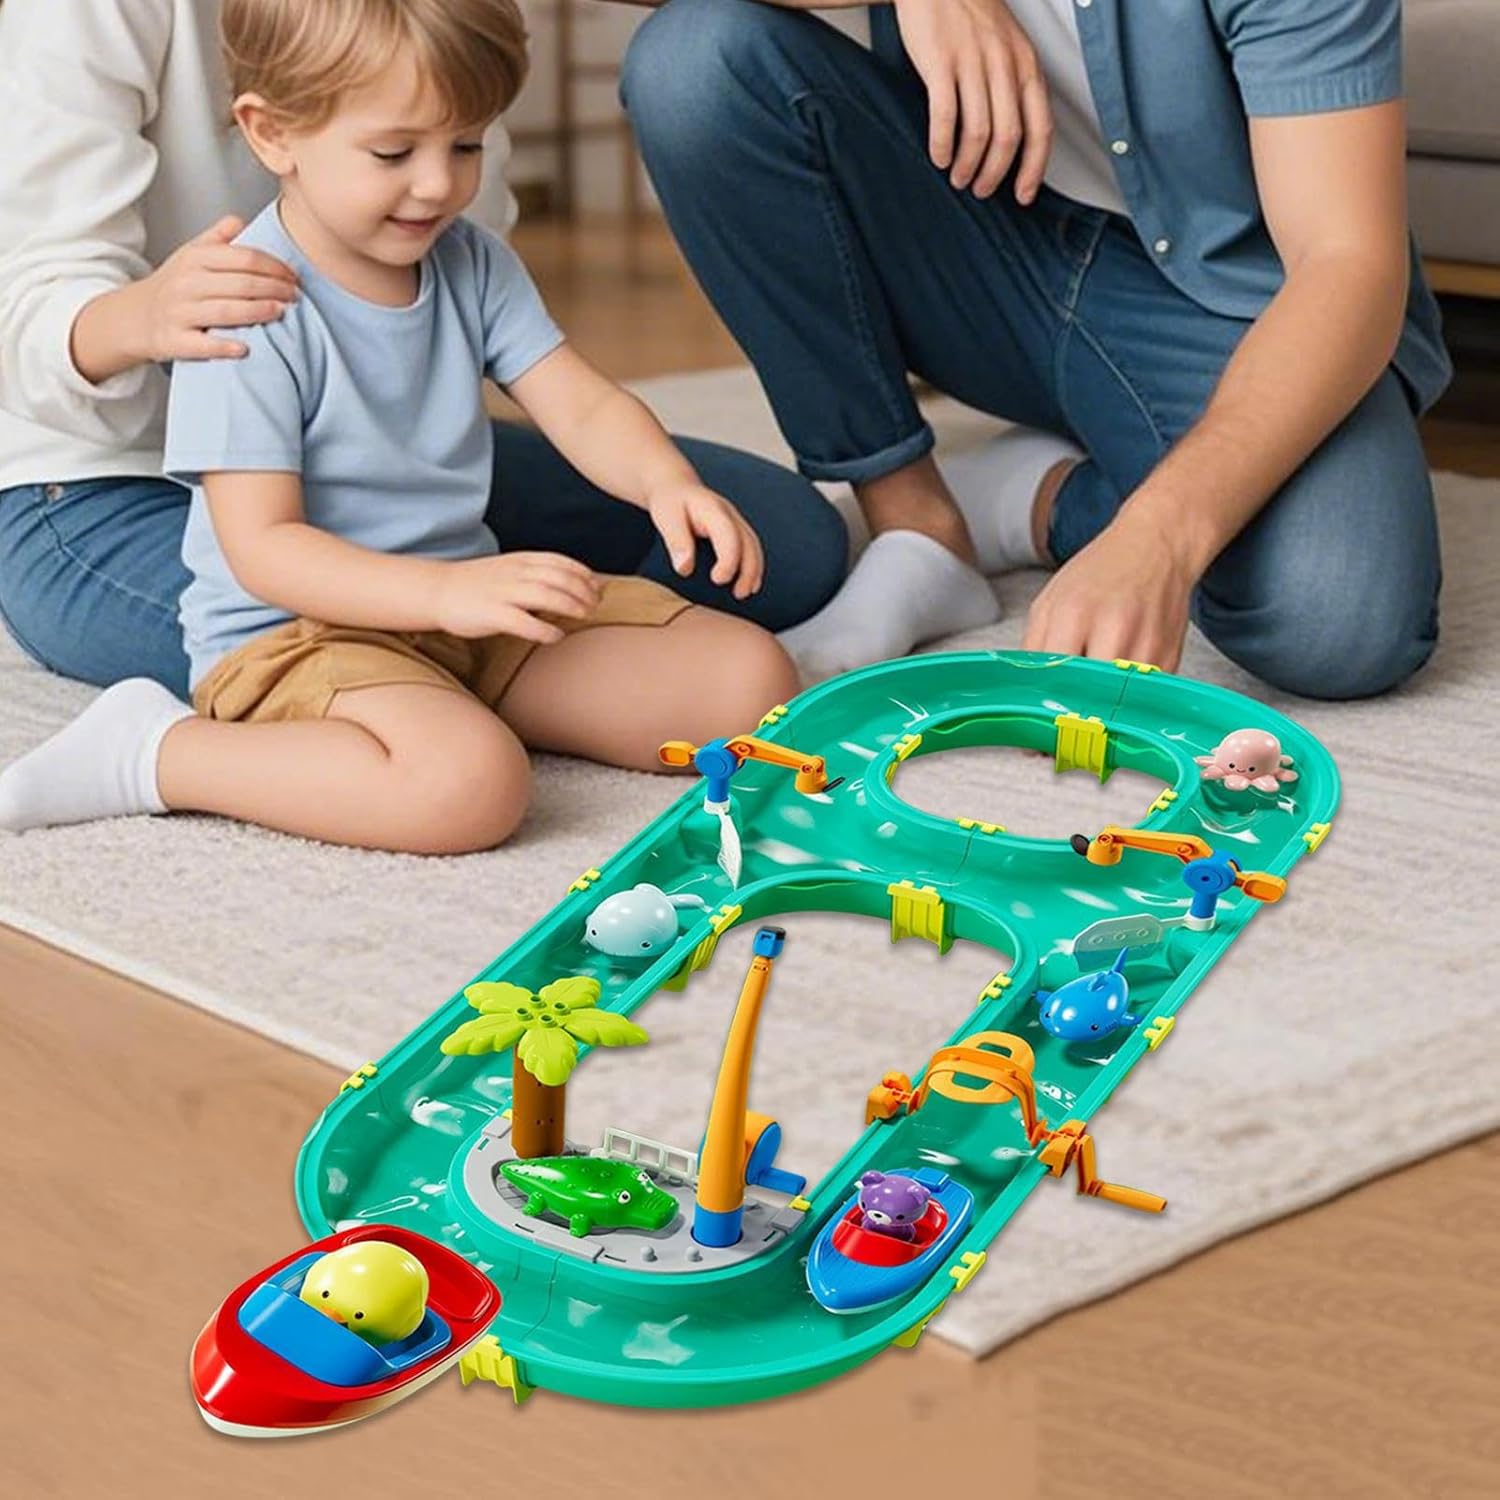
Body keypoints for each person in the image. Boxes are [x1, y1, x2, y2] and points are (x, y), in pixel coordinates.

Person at [0, 0, 803, 852]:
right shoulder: (245, 305)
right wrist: (445, 595)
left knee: (749, 682)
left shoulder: (469, 259)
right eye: (394, 153)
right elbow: (264, 549)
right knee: (468, 789)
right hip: (298, 632)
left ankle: (447, 701)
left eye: (466, 145)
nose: (438, 185)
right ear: (271, 135)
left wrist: (664, 482)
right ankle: (160, 754)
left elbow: (580, 402)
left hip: (457, 602)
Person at [618, 0, 1450, 697]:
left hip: (1222, 307)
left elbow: (1346, 262)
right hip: (980, 252)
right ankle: (915, 523)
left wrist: (1161, 533)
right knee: (693, 63)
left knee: (1337, 620)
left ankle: (1039, 500)